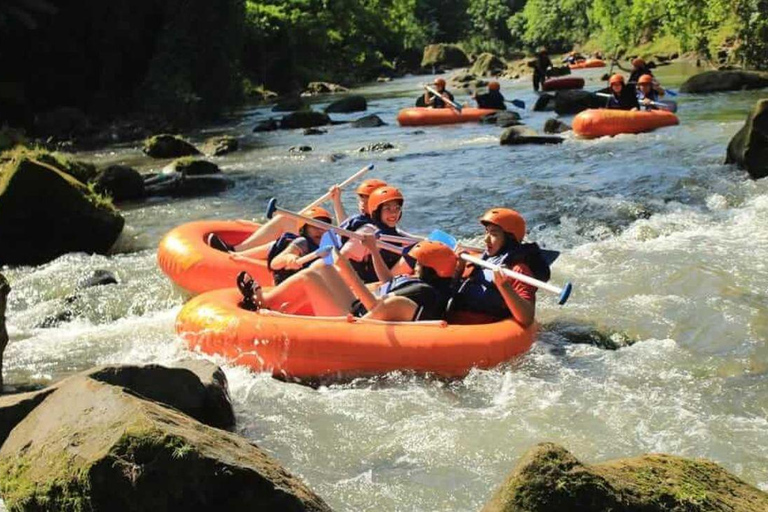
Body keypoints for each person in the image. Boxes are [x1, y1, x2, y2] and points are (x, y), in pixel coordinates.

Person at [239, 238, 458, 322]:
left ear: (431, 271)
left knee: (309, 276)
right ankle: (272, 303)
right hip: (359, 310)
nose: (414, 266)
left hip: (352, 322)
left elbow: (374, 311)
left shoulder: (419, 297)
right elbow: (385, 287)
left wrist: (346, 269)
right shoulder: (422, 286)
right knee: (320, 267)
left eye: (419, 264)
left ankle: (266, 302)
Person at [451, 208, 551, 327]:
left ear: (509, 239)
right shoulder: (480, 261)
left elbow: (527, 318)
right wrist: (459, 269)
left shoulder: (518, 270)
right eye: (486, 232)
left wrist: (504, 285)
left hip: (486, 328)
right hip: (456, 324)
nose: (485, 239)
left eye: (493, 234)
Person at [341, 186, 412, 283]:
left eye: (397, 208)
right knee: (412, 257)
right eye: (387, 208)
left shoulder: (395, 233)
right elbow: (339, 260)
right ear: (377, 212)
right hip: (372, 286)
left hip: (390, 281)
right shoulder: (367, 232)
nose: (393, 213)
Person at [266, 206, 332, 285]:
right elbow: (274, 264)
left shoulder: (329, 244)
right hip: (291, 286)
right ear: (304, 229)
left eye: (324, 226)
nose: (320, 230)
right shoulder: (302, 242)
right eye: (315, 226)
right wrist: (288, 258)